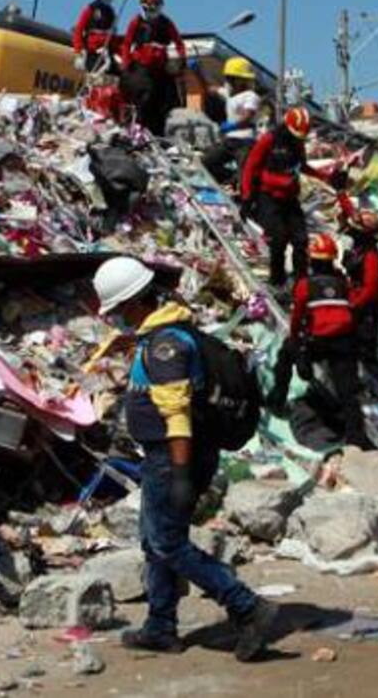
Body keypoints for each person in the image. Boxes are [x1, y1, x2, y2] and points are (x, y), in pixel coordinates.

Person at [92, 256, 278, 661]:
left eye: (118, 309)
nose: (116, 318)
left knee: (168, 542)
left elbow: (176, 414)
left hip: (175, 457)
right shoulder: (162, 335)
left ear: (134, 302)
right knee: (154, 541)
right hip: (166, 456)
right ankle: (160, 626)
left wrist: (179, 474)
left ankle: (247, 607)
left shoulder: (166, 346)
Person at [268, 233, 372, 449]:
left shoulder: (305, 285)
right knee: (348, 393)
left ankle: (277, 399)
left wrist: (296, 344)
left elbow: (297, 318)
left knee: (285, 356)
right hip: (343, 342)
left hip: (318, 341)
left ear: (311, 260)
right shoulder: (343, 284)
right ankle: (356, 438)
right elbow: (353, 308)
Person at [240, 106, 333, 288]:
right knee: (278, 240)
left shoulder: (297, 144)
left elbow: (302, 166)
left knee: (301, 241)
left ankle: (301, 282)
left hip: (290, 198)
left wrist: (324, 176)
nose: (298, 139)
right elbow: (251, 167)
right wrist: (246, 197)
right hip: (268, 197)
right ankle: (277, 281)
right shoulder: (269, 140)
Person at [119, 0, 187, 136]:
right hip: (141, 66)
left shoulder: (166, 22)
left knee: (168, 97)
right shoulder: (136, 21)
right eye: (151, 3)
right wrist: (126, 64)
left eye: (157, 3)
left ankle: (161, 131)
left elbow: (179, 42)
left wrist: (182, 58)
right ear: (144, 4)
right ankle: (139, 127)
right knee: (145, 95)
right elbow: (127, 43)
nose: (154, 6)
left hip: (161, 67)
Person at [337, 193, 378, 379]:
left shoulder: (370, 256)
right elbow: (351, 212)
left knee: (365, 342)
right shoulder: (360, 247)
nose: (350, 230)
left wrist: (353, 304)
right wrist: (341, 193)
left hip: (366, 307)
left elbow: (370, 289)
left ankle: (370, 377)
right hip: (355, 297)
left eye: (354, 229)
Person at [202, 57, 262, 185]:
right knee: (206, 164)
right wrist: (198, 71)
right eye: (227, 78)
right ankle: (231, 179)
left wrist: (232, 125)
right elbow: (211, 88)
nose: (228, 81)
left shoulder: (251, 96)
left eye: (231, 78)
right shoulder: (230, 94)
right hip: (230, 141)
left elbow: (248, 116)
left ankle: (239, 186)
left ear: (240, 80)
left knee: (245, 175)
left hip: (245, 142)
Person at [72, 0, 120, 74]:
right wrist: (79, 51)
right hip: (92, 51)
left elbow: (113, 34)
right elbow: (79, 30)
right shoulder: (91, 9)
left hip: (107, 49)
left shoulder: (111, 12)